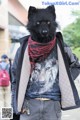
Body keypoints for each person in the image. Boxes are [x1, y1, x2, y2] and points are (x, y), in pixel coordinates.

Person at [11, 5, 80, 120]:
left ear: (53, 21)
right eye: (38, 23)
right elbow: (14, 79)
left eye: (48, 23)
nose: (44, 29)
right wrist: (14, 109)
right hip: (28, 106)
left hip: (52, 106)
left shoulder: (62, 47)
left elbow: (76, 66)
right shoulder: (23, 49)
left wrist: (62, 81)